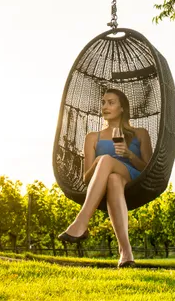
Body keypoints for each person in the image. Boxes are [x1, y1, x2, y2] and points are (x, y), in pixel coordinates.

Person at [57, 88, 151, 267]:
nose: (105, 106)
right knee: (112, 179)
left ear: (122, 108)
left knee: (107, 161)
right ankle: (126, 253)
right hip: (108, 182)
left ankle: (81, 222)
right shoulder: (93, 137)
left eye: (111, 102)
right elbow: (86, 178)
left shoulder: (140, 133)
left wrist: (129, 155)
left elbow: (148, 168)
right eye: (103, 102)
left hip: (135, 179)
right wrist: (100, 162)